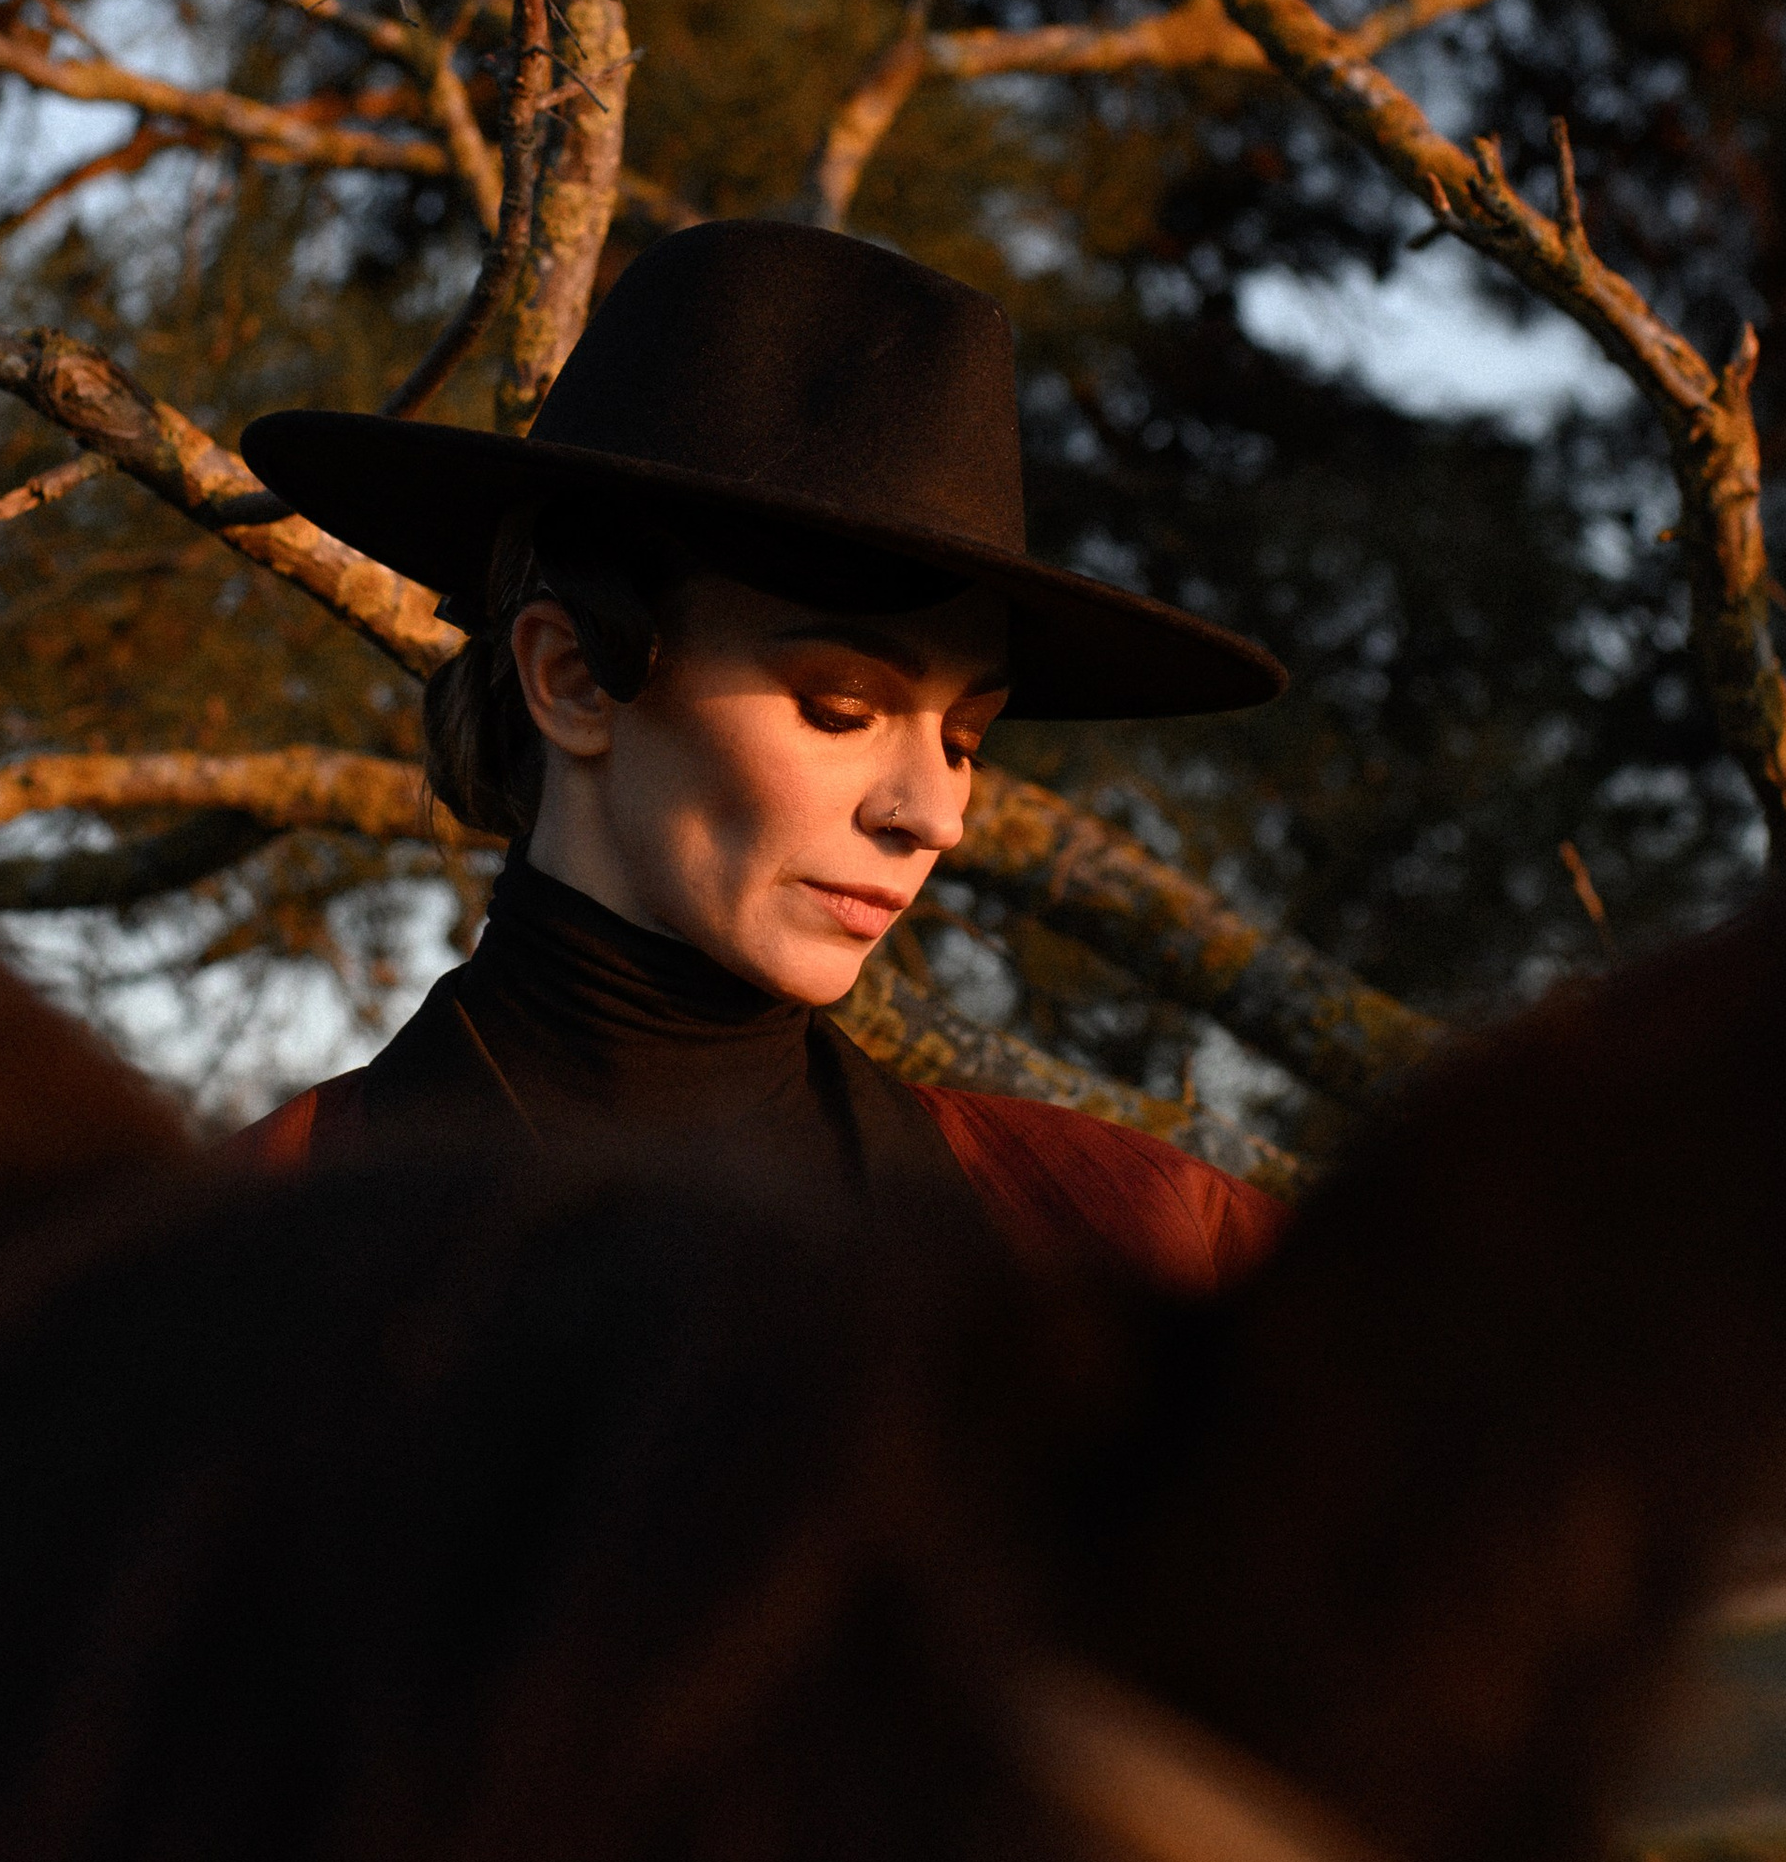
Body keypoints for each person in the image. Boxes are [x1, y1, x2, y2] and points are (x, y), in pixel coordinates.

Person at [237, 220, 1290, 1290]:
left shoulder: (1154, 1246)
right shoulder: (224, 1277)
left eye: (964, 739)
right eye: (842, 707)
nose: (935, 815)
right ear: (574, 677)